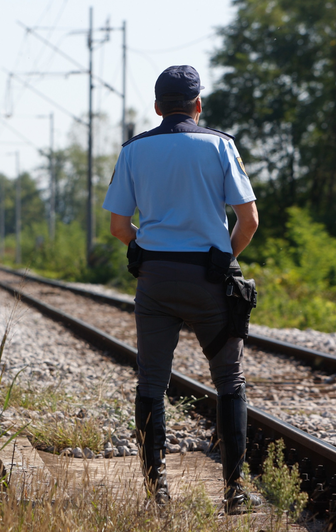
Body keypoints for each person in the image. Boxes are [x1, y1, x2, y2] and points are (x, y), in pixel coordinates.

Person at [102, 65, 261, 514]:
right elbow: (248, 221)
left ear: (156, 107)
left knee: (151, 381)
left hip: (155, 280)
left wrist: (143, 245)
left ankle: (158, 495)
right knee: (229, 379)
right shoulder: (220, 145)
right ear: (197, 104)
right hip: (209, 279)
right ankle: (234, 493)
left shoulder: (134, 151)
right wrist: (224, 259)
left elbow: (118, 226)